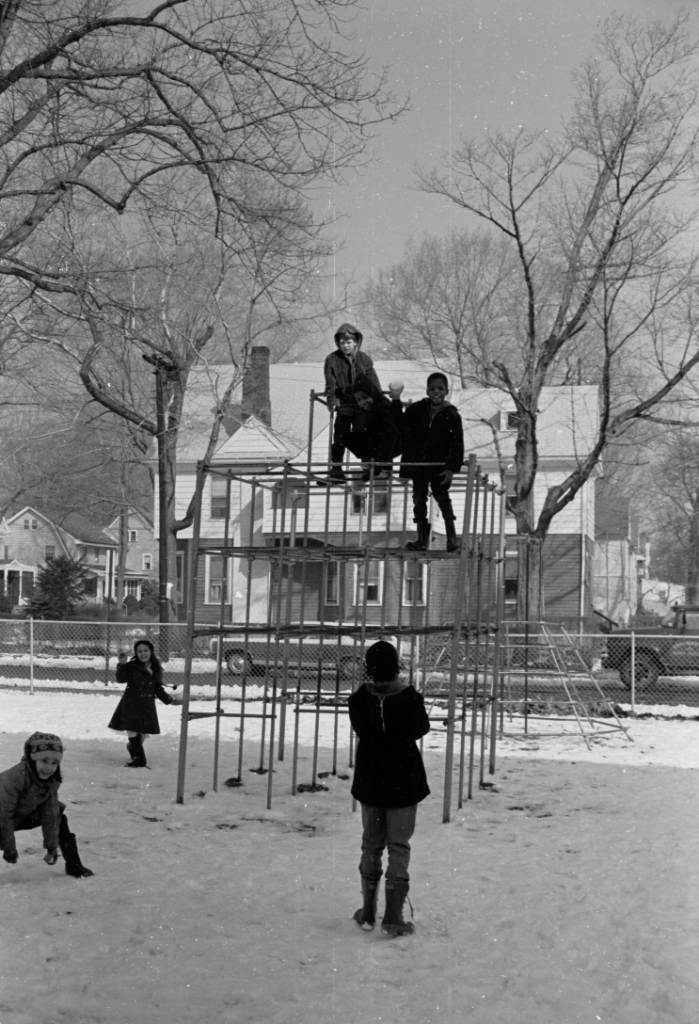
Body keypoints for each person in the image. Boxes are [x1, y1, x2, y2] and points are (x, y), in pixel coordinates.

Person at [348, 640, 430, 936]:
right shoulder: (411, 698)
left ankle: (368, 911)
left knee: (371, 844)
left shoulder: (358, 700)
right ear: (396, 665)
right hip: (404, 782)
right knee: (399, 847)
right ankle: (393, 917)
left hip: (371, 782)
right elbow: (421, 728)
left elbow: (363, 729)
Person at [0, 732, 93, 878]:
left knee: (60, 818)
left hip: (21, 814)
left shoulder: (51, 780)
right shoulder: (12, 778)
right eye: (44, 761)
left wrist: (52, 847)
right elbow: (4, 816)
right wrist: (9, 849)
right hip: (3, 816)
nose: (49, 768)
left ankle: (74, 866)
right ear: (32, 759)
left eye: (54, 763)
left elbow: (50, 812)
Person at [396, 371, 464, 552]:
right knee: (419, 500)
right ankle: (422, 539)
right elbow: (402, 429)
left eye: (440, 388)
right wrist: (406, 467)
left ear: (446, 391)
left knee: (442, 499)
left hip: (439, 467)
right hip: (419, 466)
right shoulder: (416, 410)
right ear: (427, 390)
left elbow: (456, 444)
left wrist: (450, 469)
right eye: (432, 388)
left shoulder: (452, 415)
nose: (436, 392)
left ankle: (452, 540)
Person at [322, 323, 382, 484]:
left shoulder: (364, 359)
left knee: (362, 434)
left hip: (362, 407)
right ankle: (336, 470)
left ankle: (368, 467)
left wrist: (378, 401)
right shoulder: (332, 359)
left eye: (349, 342)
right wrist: (332, 399)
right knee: (339, 437)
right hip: (344, 406)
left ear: (356, 342)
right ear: (338, 343)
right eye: (342, 342)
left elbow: (374, 383)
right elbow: (330, 384)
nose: (345, 346)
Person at [108, 638, 176, 768]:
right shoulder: (132, 666)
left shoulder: (155, 669)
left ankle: (132, 748)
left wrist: (170, 700)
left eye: (145, 650)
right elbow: (120, 678)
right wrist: (122, 664)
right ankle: (139, 759)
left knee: (143, 733)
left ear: (151, 651)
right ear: (136, 653)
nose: (143, 653)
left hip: (146, 705)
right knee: (132, 729)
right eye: (139, 651)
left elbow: (157, 688)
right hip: (131, 703)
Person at [344, 375, 404, 481]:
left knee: (370, 420)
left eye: (365, 397)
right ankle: (371, 461)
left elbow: (389, 435)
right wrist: (342, 391)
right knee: (346, 437)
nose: (363, 402)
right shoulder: (372, 408)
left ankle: (380, 464)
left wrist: (379, 464)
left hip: (396, 443)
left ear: (373, 394)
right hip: (381, 444)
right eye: (358, 400)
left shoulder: (382, 407)